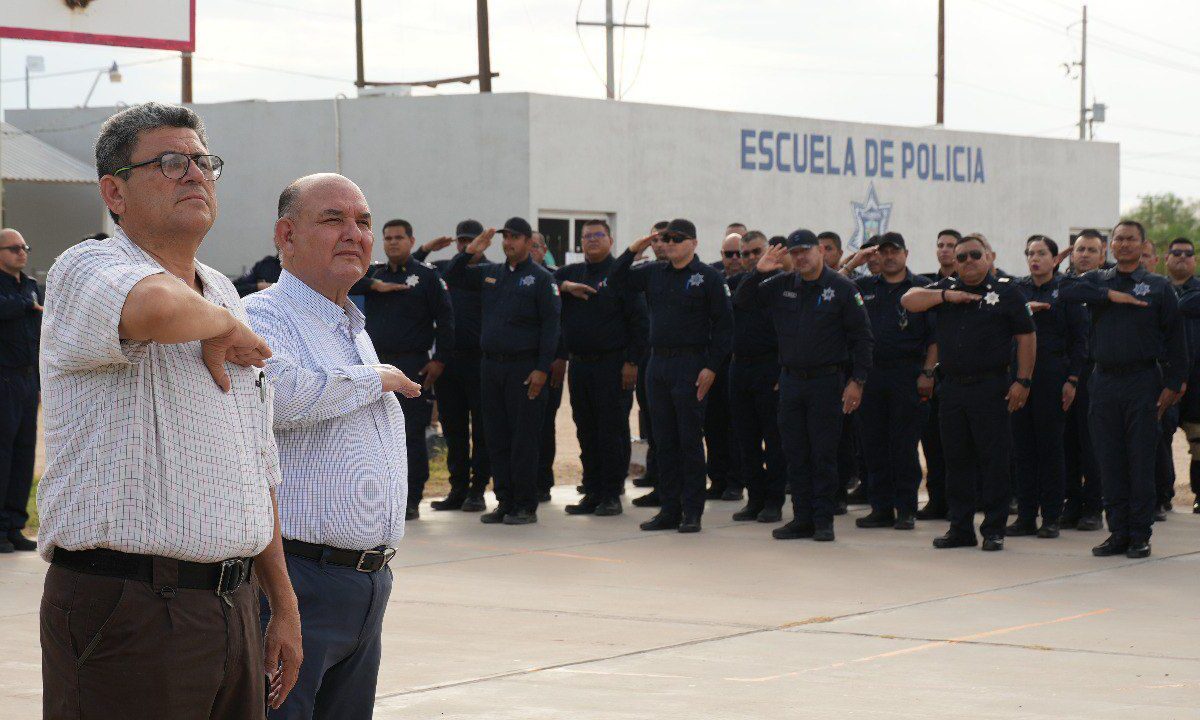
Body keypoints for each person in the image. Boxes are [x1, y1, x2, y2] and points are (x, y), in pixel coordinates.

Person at [38, 102, 301, 718]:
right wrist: (218, 324)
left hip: (232, 605)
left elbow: (254, 470)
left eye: (204, 161)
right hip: (128, 608)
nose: (195, 175)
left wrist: (282, 609)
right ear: (115, 191)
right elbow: (153, 306)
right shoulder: (89, 266)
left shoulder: (223, 290)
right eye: (170, 162)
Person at [246, 174, 421, 719]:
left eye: (363, 221)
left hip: (365, 584)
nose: (354, 233)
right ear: (286, 235)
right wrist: (379, 379)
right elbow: (280, 395)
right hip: (299, 580)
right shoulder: (262, 316)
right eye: (332, 220)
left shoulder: (350, 324)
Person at [1056, 220, 1185, 558]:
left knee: (1139, 460)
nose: (1124, 245)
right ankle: (1118, 533)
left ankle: (1139, 534)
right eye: (1119, 239)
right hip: (1103, 381)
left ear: (1143, 246)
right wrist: (1106, 295)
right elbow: (1063, 290)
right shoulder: (1099, 280)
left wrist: (1174, 384)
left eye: (1131, 239)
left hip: (1143, 381)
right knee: (1108, 460)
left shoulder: (1157, 286)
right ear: (1111, 246)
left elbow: (1176, 340)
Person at [901, 233, 1036, 552]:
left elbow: (1027, 337)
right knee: (956, 459)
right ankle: (960, 528)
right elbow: (908, 299)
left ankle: (993, 529)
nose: (968, 262)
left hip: (991, 387)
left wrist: (1023, 380)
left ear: (990, 256)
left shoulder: (1006, 292)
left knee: (993, 460)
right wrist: (948, 298)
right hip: (952, 388)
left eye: (975, 255)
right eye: (961, 257)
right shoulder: (946, 289)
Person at [736, 230, 873, 542]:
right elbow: (742, 302)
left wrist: (858, 381)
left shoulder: (841, 287)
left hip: (827, 381)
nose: (800, 257)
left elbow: (862, 338)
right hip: (791, 381)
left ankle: (823, 520)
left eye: (806, 251)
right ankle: (802, 518)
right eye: (794, 252)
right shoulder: (782, 285)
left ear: (820, 252)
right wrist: (758, 271)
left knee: (823, 454)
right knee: (794, 452)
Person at [610, 219, 733, 533]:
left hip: (691, 364)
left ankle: (691, 512)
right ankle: (669, 508)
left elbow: (724, 328)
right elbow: (615, 280)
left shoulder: (708, 278)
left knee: (689, 441)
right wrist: (633, 249)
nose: (670, 244)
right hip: (658, 364)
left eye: (677, 239)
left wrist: (712, 368)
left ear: (693, 242)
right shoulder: (654, 272)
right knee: (663, 441)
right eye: (666, 239)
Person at [444, 218, 561, 525]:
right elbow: (452, 276)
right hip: (491, 366)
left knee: (523, 438)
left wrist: (541, 369)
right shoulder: (491, 273)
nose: (509, 242)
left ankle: (525, 504)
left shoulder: (540, 278)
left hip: (524, 368)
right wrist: (471, 251)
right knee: (496, 436)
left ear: (527, 241)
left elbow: (551, 328)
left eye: (515, 237)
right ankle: (504, 500)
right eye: (505, 237)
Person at [352, 218, 454, 521]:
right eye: (388, 237)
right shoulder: (374, 273)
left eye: (399, 237)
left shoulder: (426, 277)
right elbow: (344, 280)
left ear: (411, 241)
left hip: (412, 365)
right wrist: (374, 285)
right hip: (377, 366)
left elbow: (446, 321)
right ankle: (383, 497)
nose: (393, 242)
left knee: (410, 435)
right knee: (375, 435)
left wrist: (440, 361)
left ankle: (411, 499)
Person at [556, 219, 648, 516]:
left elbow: (639, 322)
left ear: (610, 239)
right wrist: (564, 286)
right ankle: (592, 491)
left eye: (598, 235)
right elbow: (544, 279)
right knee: (586, 430)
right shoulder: (571, 274)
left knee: (612, 431)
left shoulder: (621, 275)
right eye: (586, 236)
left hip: (613, 365)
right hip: (580, 366)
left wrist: (632, 361)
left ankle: (611, 493)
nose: (592, 240)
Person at [852, 232, 934, 531]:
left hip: (907, 374)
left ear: (906, 254)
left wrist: (927, 373)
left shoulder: (923, 288)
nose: (888, 257)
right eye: (883, 252)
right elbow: (828, 287)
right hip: (871, 375)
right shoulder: (863, 287)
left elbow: (934, 337)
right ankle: (881, 508)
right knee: (873, 443)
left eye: (894, 251)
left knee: (904, 444)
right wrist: (854, 262)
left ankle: (907, 509)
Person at [1008, 236, 1088, 539]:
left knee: (1051, 449)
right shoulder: (1017, 290)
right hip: (1019, 377)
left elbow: (1081, 339)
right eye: (1030, 253)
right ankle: (1026, 516)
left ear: (1055, 259)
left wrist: (1073, 380)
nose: (1034, 259)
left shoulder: (1067, 291)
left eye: (1041, 253)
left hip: (1053, 376)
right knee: (1022, 448)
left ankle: (1051, 517)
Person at [415, 222, 492, 512]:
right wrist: (426, 249)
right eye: (462, 241)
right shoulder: (448, 267)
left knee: (482, 430)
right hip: (449, 362)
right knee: (454, 430)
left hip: (479, 362)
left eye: (471, 242)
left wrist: (471, 256)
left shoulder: (489, 271)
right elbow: (414, 271)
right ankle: (458, 489)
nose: (466, 246)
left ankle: (478, 489)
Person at [728, 232, 788, 523]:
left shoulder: (785, 283)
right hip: (740, 369)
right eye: (746, 253)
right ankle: (755, 499)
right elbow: (739, 301)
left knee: (773, 439)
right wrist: (755, 273)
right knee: (746, 439)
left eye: (757, 251)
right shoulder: (739, 283)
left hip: (770, 368)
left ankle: (774, 501)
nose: (751, 258)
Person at [1061, 229, 1108, 531]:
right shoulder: (1063, 287)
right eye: (1080, 249)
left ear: (1103, 254)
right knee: (1067, 443)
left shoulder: (1109, 285)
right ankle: (1071, 502)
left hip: (1095, 373)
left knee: (1092, 445)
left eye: (1092, 250)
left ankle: (1093, 506)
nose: (1085, 255)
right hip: (1064, 375)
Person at [915, 228, 962, 520]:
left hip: (959, 374)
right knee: (932, 441)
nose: (945, 250)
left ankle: (960, 502)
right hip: (933, 377)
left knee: (959, 446)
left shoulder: (972, 286)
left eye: (951, 246)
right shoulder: (928, 287)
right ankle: (937, 499)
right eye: (940, 245)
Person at [0, 228, 42, 553]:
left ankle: (14, 525)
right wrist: (25, 305)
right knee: (3, 452)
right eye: (14, 248)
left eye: (24, 247)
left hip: (28, 379)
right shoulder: (20, 295)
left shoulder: (29, 287)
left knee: (24, 451)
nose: (21, 252)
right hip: (4, 378)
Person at [630, 221, 670, 506]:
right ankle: (651, 473)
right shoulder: (643, 274)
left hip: (676, 359)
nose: (659, 245)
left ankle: (669, 485)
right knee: (649, 418)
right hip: (647, 358)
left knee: (671, 426)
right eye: (655, 240)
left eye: (665, 240)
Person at [703, 232, 744, 502]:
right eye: (727, 254)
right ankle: (717, 479)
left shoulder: (753, 281)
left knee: (735, 427)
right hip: (714, 362)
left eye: (738, 253)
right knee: (713, 424)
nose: (733, 259)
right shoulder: (713, 280)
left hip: (738, 362)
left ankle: (735, 481)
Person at [531, 231, 566, 503]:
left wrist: (560, 358)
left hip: (549, 362)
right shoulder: (506, 276)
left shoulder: (553, 277)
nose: (530, 250)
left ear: (544, 250)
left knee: (544, 425)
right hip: (520, 364)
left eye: (535, 246)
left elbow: (559, 324)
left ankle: (543, 481)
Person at [1166, 237, 1200, 514]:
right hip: (1161, 378)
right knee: (1158, 439)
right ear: (1166, 259)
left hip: (1197, 379)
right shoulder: (1156, 291)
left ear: (1194, 261)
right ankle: (1162, 495)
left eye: (1187, 254)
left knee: (1198, 443)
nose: (1181, 257)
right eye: (1175, 253)